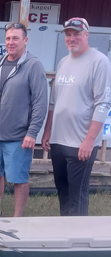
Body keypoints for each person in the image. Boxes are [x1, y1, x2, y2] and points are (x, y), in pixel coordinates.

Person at [0, 22, 48, 217]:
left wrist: (32, 133)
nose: (11, 42)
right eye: (8, 38)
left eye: (16, 38)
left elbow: (40, 103)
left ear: (25, 40)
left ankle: (17, 218)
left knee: (18, 178)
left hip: (19, 137)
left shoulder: (33, 66)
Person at [41, 18, 111, 216]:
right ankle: (65, 230)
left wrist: (89, 140)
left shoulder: (99, 61)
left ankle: (77, 238)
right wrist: (47, 131)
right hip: (58, 140)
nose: (72, 38)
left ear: (86, 35)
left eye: (77, 34)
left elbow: (103, 103)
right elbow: (54, 101)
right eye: (68, 34)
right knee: (62, 189)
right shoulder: (63, 62)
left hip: (80, 141)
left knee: (77, 194)